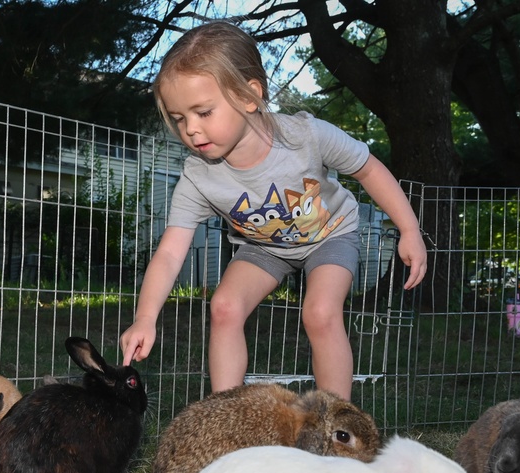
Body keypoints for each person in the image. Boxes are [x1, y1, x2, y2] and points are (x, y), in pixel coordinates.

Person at [120, 21, 427, 400]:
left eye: (203, 112)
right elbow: (169, 252)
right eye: (180, 119)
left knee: (319, 312)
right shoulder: (199, 177)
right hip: (264, 246)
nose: (191, 131)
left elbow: (368, 168)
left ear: (250, 96)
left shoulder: (307, 138)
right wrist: (145, 317)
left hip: (329, 235)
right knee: (225, 307)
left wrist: (409, 230)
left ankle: (336, 428)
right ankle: (227, 420)